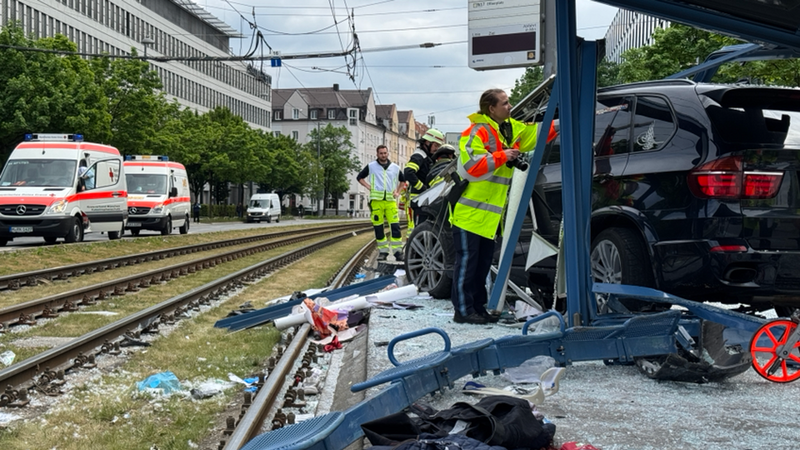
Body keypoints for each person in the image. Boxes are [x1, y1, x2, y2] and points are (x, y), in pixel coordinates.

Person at [449, 88, 555, 325]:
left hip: (488, 217)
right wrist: (503, 156)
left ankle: (478, 309)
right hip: (469, 214)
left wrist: (561, 123)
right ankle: (463, 311)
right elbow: (471, 164)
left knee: (482, 266)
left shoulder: (509, 128)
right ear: (491, 108)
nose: (510, 106)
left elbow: (536, 133)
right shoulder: (476, 132)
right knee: (467, 265)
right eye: (505, 103)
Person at [357, 145, 405, 261]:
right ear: (377, 154)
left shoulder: (395, 167)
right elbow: (359, 177)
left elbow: (403, 181)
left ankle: (397, 251)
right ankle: (383, 251)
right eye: (381, 153)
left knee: (395, 227)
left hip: (390, 201)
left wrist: (398, 192)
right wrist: (369, 187)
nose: (383, 155)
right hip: (376, 201)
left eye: (385, 153)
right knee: (378, 228)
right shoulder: (371, 166)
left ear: (388, 153)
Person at [404, 128, 445, 233]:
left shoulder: (427, 156)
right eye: (435, 146)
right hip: (419, 201)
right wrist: (422, 188)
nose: (436, 149)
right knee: (421, 231)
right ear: (427, 142)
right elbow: (408, 172)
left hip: (424, 201)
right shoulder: (419, 156)